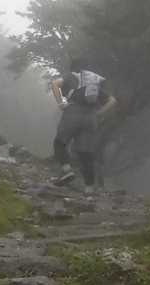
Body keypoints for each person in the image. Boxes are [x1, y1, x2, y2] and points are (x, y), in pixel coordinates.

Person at [50, 58, 116, 195]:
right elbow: (112, 100)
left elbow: (55, 84)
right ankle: (89, 190)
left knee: (59, 142)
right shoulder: (94, 85)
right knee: (85, 154)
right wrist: (99, 113)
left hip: (73, 113)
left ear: (73, 68)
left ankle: (67, 171)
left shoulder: (71, 76)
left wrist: (60, 103)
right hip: (90, 118)